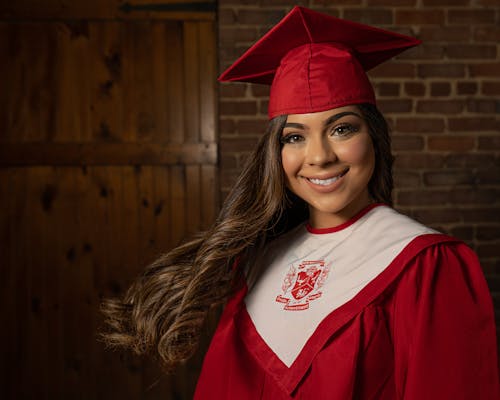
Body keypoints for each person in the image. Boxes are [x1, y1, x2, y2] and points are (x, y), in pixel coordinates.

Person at [102, 6, 500, 399]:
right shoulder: (256, 262)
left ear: (374, 138)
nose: (319, 156)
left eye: (341, 128)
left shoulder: (425, 266)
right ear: (276, 152)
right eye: (294, 136)